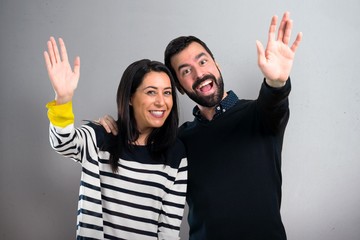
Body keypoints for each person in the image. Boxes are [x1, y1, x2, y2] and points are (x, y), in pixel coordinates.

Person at [98, 11, 303, 239]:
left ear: (217, 65)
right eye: (186, 71)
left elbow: (274, 101)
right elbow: (137, 151)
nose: (199, 73)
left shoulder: (258, 115)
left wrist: (277, 81)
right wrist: (112, 130)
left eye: (203, 61)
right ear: (180, 86)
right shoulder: (179, 140)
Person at [44, 36, 188, 240]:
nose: (161, 102)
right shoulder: (100, 136)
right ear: (130, 98)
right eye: (150, 92)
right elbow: (63, 142)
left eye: (167, 93)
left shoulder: (176, 153)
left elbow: (169, 231)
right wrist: (63, 100)